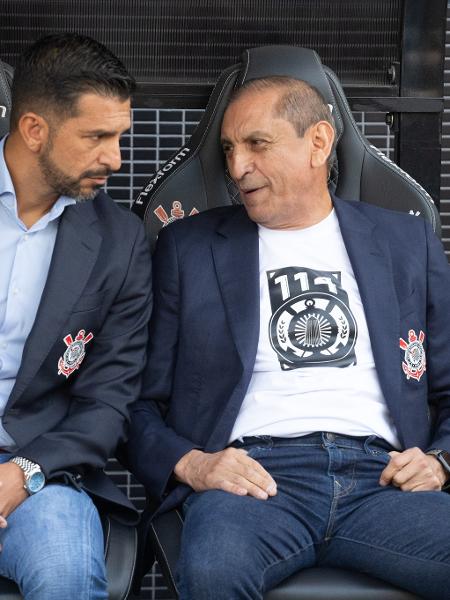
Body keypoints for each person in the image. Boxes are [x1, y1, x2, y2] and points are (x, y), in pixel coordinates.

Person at [128, 76, 450, 600]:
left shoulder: (404, 242)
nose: (237, 168)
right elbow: (138, 405)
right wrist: (195, 464)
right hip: (253, 481)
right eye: (230, 149)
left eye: (258, 144)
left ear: (318, 143)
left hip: (385, 481)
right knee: (213, 569)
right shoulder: (188, 249)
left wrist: (440, 460)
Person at [0, 33, 152, 599]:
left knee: (65, 569)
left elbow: (109, 402)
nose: (114, 158)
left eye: (118, 136)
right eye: (95, 137)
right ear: (35, 129)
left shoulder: (120, 243)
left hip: (40, 471)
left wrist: (23, 472)